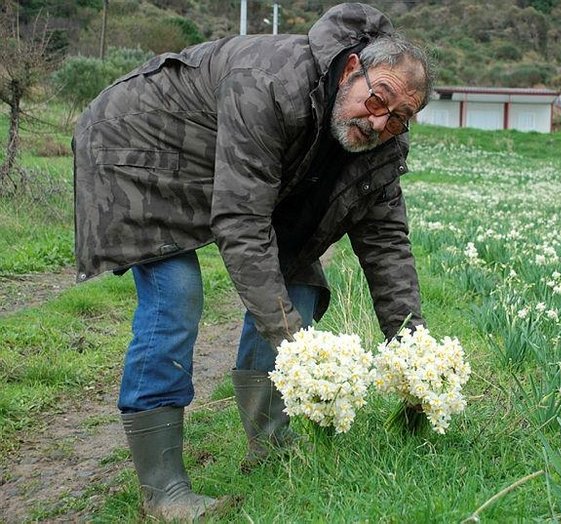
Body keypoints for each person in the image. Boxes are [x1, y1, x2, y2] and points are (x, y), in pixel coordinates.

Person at [72, 3, 432, 520]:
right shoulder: (269, 82)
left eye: (400, 118)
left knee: (301, 287)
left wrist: (414, 360)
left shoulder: (379, 144)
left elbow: (388, 248)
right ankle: (164, 490)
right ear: (352, 71)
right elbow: (242, 221)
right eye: (378, 100)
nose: (380, 122)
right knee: (176, 292)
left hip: (226, 159)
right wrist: (293, 345)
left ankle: (270, 448)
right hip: (142, 146)